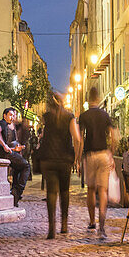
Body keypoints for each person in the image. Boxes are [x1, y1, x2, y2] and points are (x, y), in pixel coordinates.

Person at [37, 91, 82, 239]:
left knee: (51, 192)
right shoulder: (69, 117)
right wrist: (76, 158)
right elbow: (77, 139)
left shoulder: (46, 117)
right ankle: (64, 224)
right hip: (64, 159)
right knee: (64, 191)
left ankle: (51, 227)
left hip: (48, 158)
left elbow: (43, 136)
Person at [78, 85, 113, 239]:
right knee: (103, 190)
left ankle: (92, 221)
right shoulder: (105, 115)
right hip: (104, 153)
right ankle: (102, 226)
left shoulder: (84, 116)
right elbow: (113, 135)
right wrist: (111, 153)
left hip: (90, 154)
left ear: (88, 99)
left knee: (91, 189)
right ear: (98, 98)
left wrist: (78, 159)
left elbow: (79, 140)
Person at [0, 107, 31, 206]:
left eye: (14, 115)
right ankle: (17, 191)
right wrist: (4, 145)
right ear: (4, 115)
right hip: (5, 155)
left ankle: (15, 194)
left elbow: (10, 145)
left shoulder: (11, 125)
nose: (12, 117)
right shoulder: (2, 123)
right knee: (26, 166)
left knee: (19, 169)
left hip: (10, 153)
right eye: (10, 115)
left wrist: (16, 149)